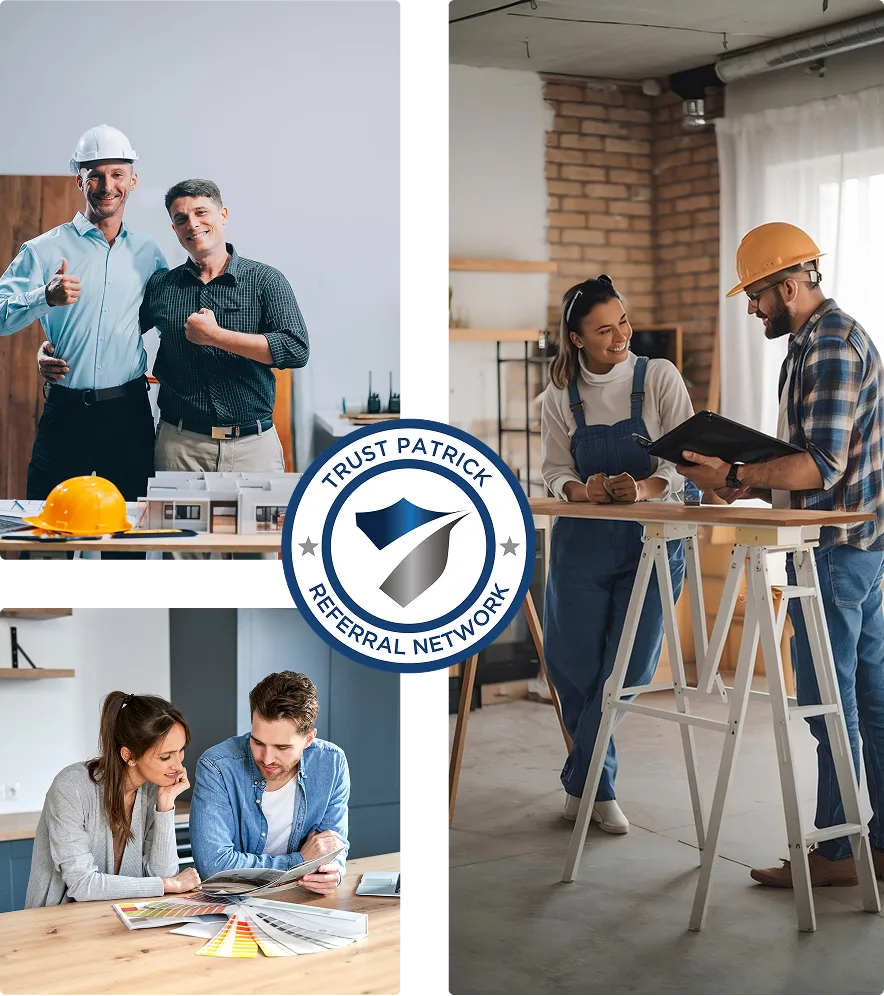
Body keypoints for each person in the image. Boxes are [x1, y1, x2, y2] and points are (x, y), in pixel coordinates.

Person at [677, 221, 884, 888]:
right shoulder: (811, 343)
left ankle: (838, 851)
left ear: (789, 284)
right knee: (868, 701)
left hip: (836, 552)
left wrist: (738, 477)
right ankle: (870, 845)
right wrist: (738, 475)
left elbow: (820, 467)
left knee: (831, 703)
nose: (752, 307)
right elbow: (804, 465)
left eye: (758, 295)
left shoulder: (829, 347)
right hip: (856, 549)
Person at [541, 275, 694, 834]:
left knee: (624, 669)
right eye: (604, 329)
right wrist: (585, 490)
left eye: (623, 321)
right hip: (581, 541)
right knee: (573, 666)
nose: (620, 336)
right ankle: (595, 783)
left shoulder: (659, 378)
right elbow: (556, 471)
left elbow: (689, 463)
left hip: (652, 544)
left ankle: (588, 786)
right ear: (576, 339)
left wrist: (646, 488)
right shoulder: (558, 396)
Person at [0, 125, 166, 508]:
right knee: (46, 534)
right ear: (80, 180)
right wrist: (44, 296)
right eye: (95, 175)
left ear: (133, 180)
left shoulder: (149, 253)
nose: (107, 185)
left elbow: (163, 320)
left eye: (117, 174)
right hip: (66, 412)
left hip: (129, 414)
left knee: (127, 536)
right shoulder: (43, 250)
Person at [25, 691, 199, 907]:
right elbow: (82, 884)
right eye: (165, 756)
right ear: (129, 756)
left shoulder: (153, 790)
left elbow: (162, 873)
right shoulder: (71, 787)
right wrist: (165, 885)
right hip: (57, 924)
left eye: (180, 751)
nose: (179, 765)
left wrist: (165, 806)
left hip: (121, 916)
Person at [189, 671, 348, 894]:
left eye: (281, 747)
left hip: (302, 897)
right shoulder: (217, 766)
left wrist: (334, 873)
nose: (266, 758)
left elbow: (333, 847)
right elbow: (214, 868)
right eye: (257, 742)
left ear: (308, 739)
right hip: (234, 900)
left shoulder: (331, 763)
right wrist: (300, 861)